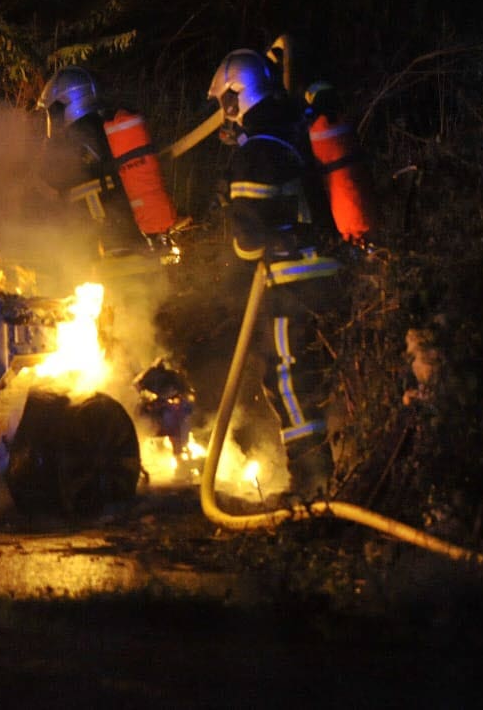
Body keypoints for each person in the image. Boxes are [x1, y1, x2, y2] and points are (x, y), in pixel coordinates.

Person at [207, 48, 343, 499]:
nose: (225, 115)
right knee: (321, 372)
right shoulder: (295, 129)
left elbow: (249, 244)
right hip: (330, 270)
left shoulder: (256, 152)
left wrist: (230, 207)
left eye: (226, 103)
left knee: (286, 376)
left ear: (238, 97)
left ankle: (313, 483)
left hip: (292, 281)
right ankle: (342, 463)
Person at [34, 66, 181, 270]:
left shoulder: (80, 137)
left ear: (67, 102)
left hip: (106, 246)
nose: (53, 118)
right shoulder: (106, 128)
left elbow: (51, 180)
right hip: (127, 239)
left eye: (54, 110)